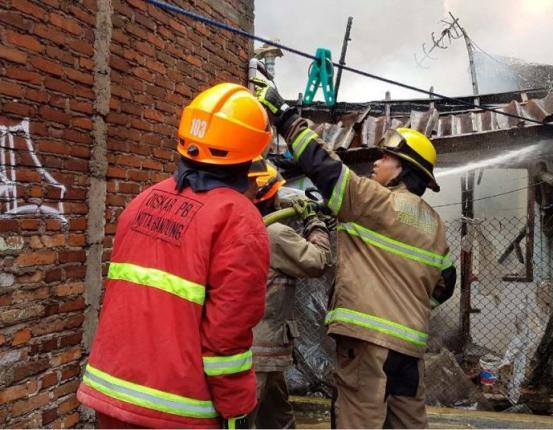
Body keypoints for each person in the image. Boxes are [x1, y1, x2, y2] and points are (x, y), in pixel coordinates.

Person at [252, 75, 457, 428]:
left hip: (367, 346)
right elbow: (447, 283)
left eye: (386, 157)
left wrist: (284, 114)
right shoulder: (434, 224)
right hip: (409, 351)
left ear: (403, 170)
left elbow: (323, 166)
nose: (376, 163)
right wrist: (405, 306)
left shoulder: (375, 202)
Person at [77, 83, 272, 429]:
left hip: (112, 396)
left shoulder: (144, 200)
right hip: (178, 409)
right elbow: (227, 334)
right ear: (252, 152)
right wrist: (237, 409)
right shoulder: (237, 219)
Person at [245, 158, 333, 429]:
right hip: (260, 351)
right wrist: (314, 222)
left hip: (258, 347)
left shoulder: (244, 227)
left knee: (278, 417)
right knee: (246, 417)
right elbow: (319, 260)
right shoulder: (274, 233)